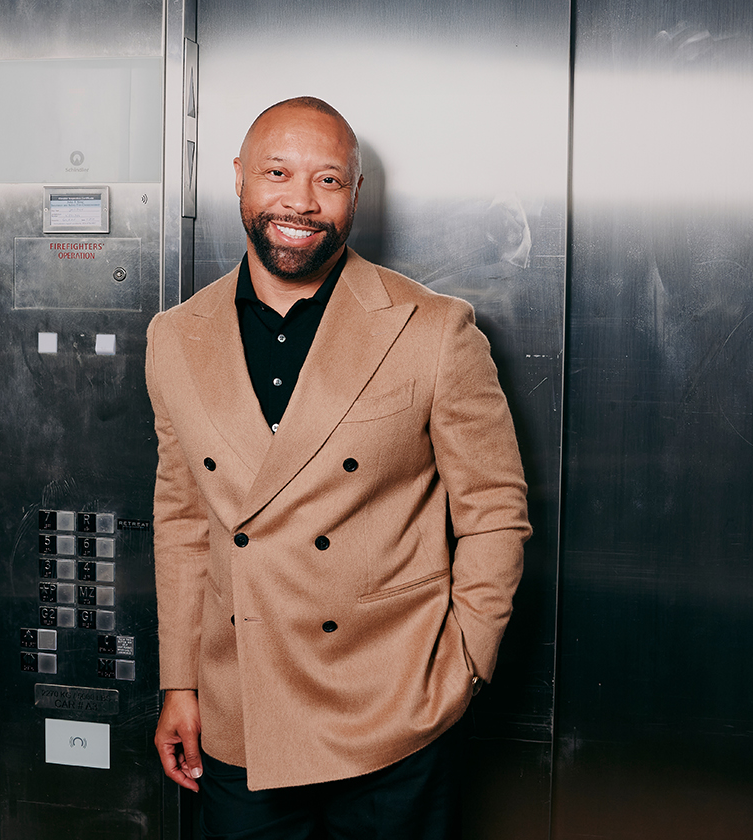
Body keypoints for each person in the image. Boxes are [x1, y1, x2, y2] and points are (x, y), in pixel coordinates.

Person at [145, 96, 530, 839]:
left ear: (354, 193)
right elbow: (183, 520)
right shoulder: (173, 337)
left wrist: (465, 665)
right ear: (238, 178)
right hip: (240, 712)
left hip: (391, 711)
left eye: (328, 180)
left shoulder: (432, 329)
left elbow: (494, 509)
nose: (301, 201)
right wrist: (180, 680)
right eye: (278, 173)